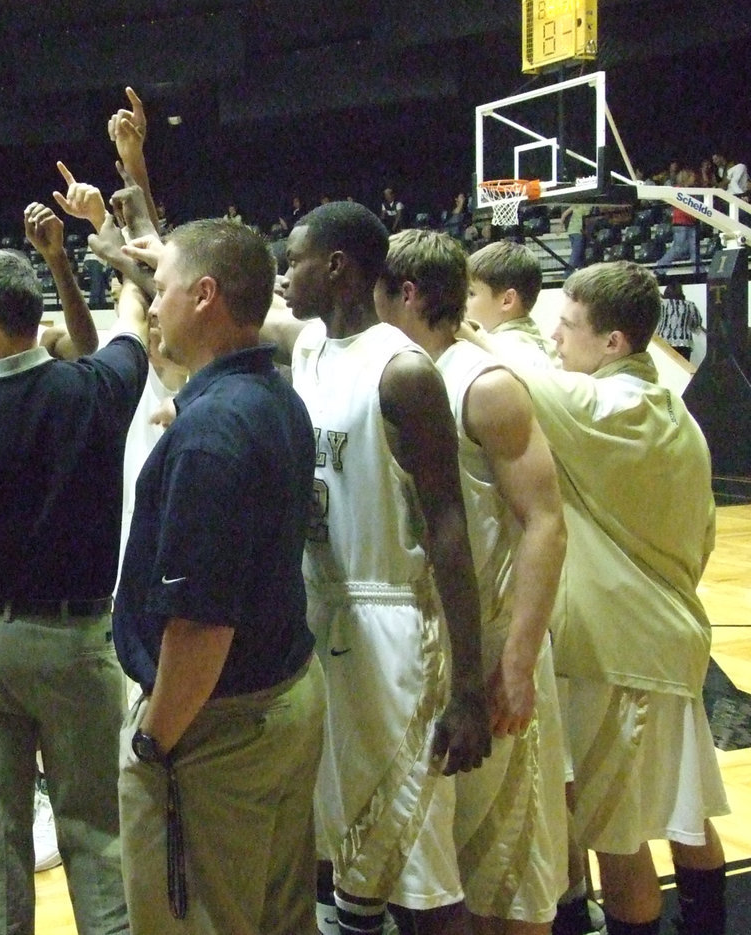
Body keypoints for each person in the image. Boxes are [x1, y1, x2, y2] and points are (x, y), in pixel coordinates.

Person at [269, 200, 490, 935]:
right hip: (322, 619)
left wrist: (469, 689)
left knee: (418, 867)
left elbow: (451, 530)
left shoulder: (404, 373)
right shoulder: (308, 349)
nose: (283, 272)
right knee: (345, 856)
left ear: (336, 266)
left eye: (293, 258)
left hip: (395, 628)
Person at [0, 200, 148, 935]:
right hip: (77, 645)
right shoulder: (94, 391)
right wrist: (97, 262)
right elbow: (128, 329)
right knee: (96, 835)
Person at [114, 218, 325, 935]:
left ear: (204, 296)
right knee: (279, 915)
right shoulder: (274, 396)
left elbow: (202, 624)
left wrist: (155, 736)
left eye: (162, 288)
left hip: (217, 726)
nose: (152, 304)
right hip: (283, 695)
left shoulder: (211, 433)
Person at [526, 262, 730, 935]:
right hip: (671, 639)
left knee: (617, 833)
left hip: (619, 653)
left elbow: (500, 367)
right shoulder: (680, 413)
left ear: (612, 341)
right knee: (685, 807)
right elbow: (704, 532)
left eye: (568, 325)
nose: (555, 338)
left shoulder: (602, 409)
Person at [376, 229, 569, 935]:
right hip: (435, 656)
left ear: (407, 294)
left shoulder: (484, 385)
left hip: (494, 650)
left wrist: (516, 660)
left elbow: (546, 522)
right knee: (448, 871)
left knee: (512, 871)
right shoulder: (402, 374)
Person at [466, 241, 558, 368]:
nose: (461, 301)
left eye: (471, 293)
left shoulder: (500, 349)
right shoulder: (549, 348)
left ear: (507, 300)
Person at [656, 168, 700, 270]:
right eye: (693, 177)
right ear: (687, 178)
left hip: (690, 222)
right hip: (681, 223)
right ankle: (660, 268)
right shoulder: (678, 190)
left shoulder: (691, 191)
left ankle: (697, 270)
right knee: (678, 248)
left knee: (694, 248)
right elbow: (684, 209)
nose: (695, 178)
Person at [656, 281, 704, 361]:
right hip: (684, 343)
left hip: (663, 342)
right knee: (683, 369)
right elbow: (697, 322)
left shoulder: (660, 305)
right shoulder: (690, 305)